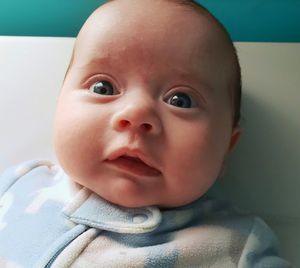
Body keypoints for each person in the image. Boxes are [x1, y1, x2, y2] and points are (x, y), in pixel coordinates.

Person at [0, 0, 291, 267]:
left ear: (227, 147)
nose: (136, 114)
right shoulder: (19, 183)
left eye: (181, 101)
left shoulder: (239, 246)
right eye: (103, 88)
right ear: (59, 103)